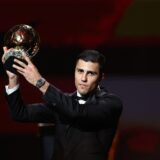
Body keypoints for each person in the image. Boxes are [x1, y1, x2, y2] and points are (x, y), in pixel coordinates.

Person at [2, 48, 123, 160]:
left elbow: (77, 112)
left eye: (91, 73)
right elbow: (20, 113)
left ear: (101, 77)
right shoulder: (62, 102)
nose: (83, 78)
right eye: (80, 71)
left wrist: (40, 82)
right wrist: (13, 78)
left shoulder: (111, 103)